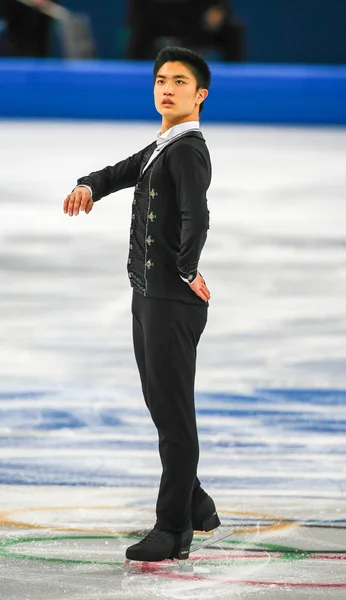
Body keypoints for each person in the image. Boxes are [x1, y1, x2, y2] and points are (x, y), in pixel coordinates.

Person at [63, 46, 220, 562]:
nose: (166, 88)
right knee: (160, 405)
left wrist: (188, 268)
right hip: (148, 294)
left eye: (179, 81)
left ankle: (173, 530)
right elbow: (122, 170)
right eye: (160, 80)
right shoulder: (164, 145)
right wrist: (90, 184)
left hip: (171, 300)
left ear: (199, 95)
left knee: (175, 418)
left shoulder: (188, 150)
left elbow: (197, 215)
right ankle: (194, 502)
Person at [126, 0, 244, 62]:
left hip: (196, 22)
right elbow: (136, 13)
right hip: (158, 23)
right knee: (138, 36)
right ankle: (132, 78)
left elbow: (218, 8)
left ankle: (238, 81)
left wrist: (218, 8)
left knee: (232, 30)